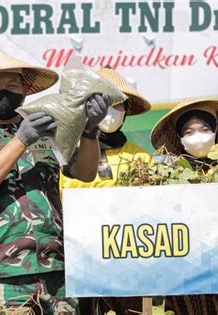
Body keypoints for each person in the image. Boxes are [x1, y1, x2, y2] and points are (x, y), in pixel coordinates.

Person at [0, 48, 108, 313]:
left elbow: (85, 172)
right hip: (2, 272)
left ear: (25, 90)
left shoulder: (49, 131)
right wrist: (22, 139)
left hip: (56, 267)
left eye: (12, 84)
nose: (4, 91)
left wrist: (89, 132)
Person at [59, 66, 153, 314]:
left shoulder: (143, 158)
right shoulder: (65, 154)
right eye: (104, 102)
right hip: (77, 262)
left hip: (129, 263)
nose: (111, 111)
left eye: (118, 104)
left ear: (127, 111)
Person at [151, 98, 218, 314]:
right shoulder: (167, 178)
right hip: (189, 265)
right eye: (189, 131)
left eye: (204, 128)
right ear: (179, 138)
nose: (198, 136)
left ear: (214, 131)